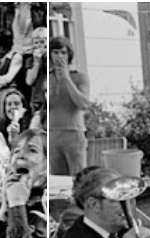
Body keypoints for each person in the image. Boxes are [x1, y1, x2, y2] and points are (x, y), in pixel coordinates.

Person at [46, 36, 88, 177]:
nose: (59, 57)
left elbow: (83, 104)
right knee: (57, 178)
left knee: (78, 176)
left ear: (69, 55)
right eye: (56, 52)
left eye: (63, 53)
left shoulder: (80, 76)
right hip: (52, 133)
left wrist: (67, 79)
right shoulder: (47, 78)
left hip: (73, 132)